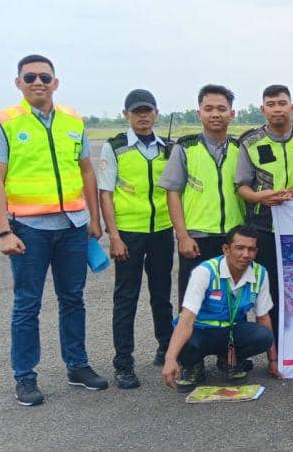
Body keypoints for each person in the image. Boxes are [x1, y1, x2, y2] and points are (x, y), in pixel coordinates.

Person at [0, 54, 107, 406]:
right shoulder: (5, 121)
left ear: (55, 82)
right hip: (28, 229)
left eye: (44, 76)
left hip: (72, 226)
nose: (37, 82)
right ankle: (25, 376)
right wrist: (3, 232)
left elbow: (86, 171)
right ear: (18, 83)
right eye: (30, 77)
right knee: (27, 304)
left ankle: (77, 365)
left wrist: (94, 219)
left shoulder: (73, 119)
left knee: (73, 299)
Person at [97, 89, 174, 389]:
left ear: (156, 113)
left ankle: (166, 348)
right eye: (137, 111)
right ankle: (123, 363)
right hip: (129, 233)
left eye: (147, 111)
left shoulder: (168, 147)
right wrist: (114, 236)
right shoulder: (115, 147)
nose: (143, 116)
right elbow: (105, 193)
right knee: (126, 299)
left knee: (162, 295)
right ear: (126, 115)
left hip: (162, 231)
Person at [235, 85, 293, 354]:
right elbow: (241, 186)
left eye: (282, 103)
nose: (277, 109)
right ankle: (276, 352)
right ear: (263, 109)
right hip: (264, 227)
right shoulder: (250, 141)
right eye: (271, 104)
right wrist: (261, 197)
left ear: (292, 107)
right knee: (268, 291)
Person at [161, 226, 282, 392]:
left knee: (263, 335)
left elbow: (263, 317)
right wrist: (170, 359)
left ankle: (229, 360)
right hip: (200, 331)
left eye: (251, 249)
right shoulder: (205, 271)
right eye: (240, 248)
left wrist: (273, 360)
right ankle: (192, 366)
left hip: (230, 331)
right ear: (226, 249)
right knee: (182, 341)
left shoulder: (260, 273)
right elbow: (186, 320)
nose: (246, 254)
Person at [159, 84, 245, 306]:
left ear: (232, 113)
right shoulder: (185, 147)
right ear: (199, 113)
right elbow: (173, 192)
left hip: (233, 238)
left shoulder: (241, 148)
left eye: (221, 109)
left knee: (233, 302)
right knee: (193, 304)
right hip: (197, 239)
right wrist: (183, 236)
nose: (215, 114)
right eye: (208, 109)